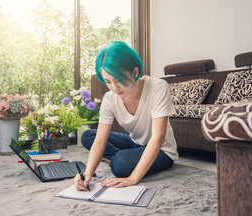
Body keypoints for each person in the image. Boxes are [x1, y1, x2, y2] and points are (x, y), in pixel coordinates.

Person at [74, 41, 178, 191]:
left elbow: (158, 137)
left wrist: (132, 178)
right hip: (135, 142)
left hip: (162, 151)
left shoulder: (158, 87)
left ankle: (121, 158)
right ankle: (128, 156)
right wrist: (87, 174)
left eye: (118, 80)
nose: (114, 88)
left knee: (120, 164)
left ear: (135, 72)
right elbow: (100, 141)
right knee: (88, 136)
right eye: (108, 82)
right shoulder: (110, 98)